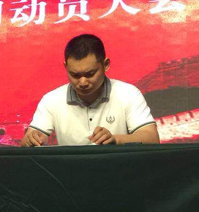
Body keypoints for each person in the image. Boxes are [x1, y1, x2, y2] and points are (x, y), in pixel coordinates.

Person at [21, 34, 159, 147]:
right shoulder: (51, 100)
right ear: (65, 67)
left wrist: (115, 139)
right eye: (75, 75)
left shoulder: (128, 94)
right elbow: (26, 141)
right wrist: (31, 139)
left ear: (105, 65)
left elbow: (151, 138)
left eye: (90, 74)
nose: (82, 82)